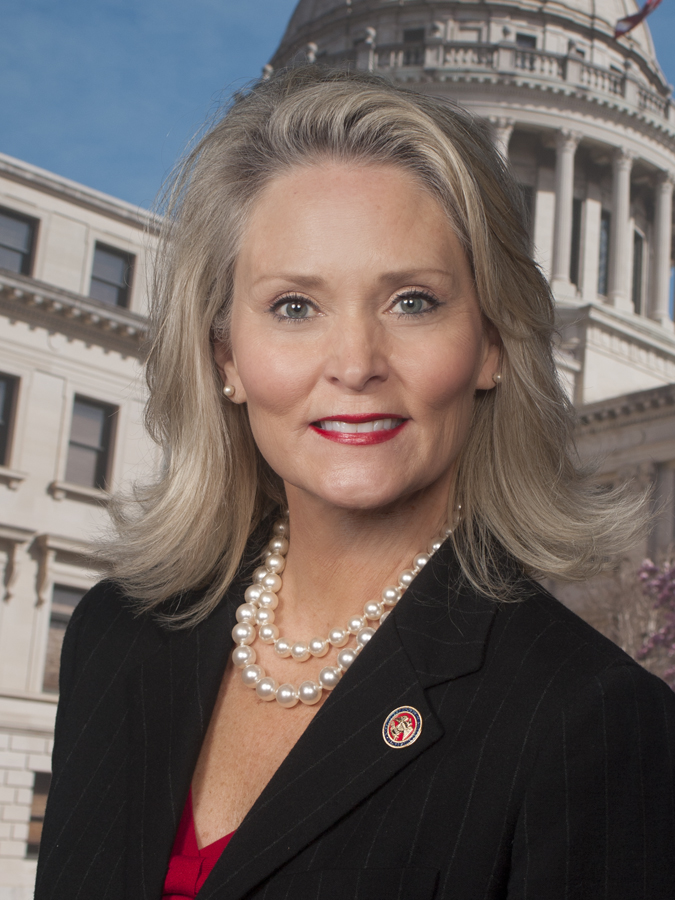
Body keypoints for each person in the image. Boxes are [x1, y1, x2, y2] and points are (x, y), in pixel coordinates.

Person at [35, 67, 675, 900]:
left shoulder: (592, 721)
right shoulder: (114, 637)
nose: (354, 364)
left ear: (491, 344)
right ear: (226, 357)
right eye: (294, 307)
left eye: (412, 301)